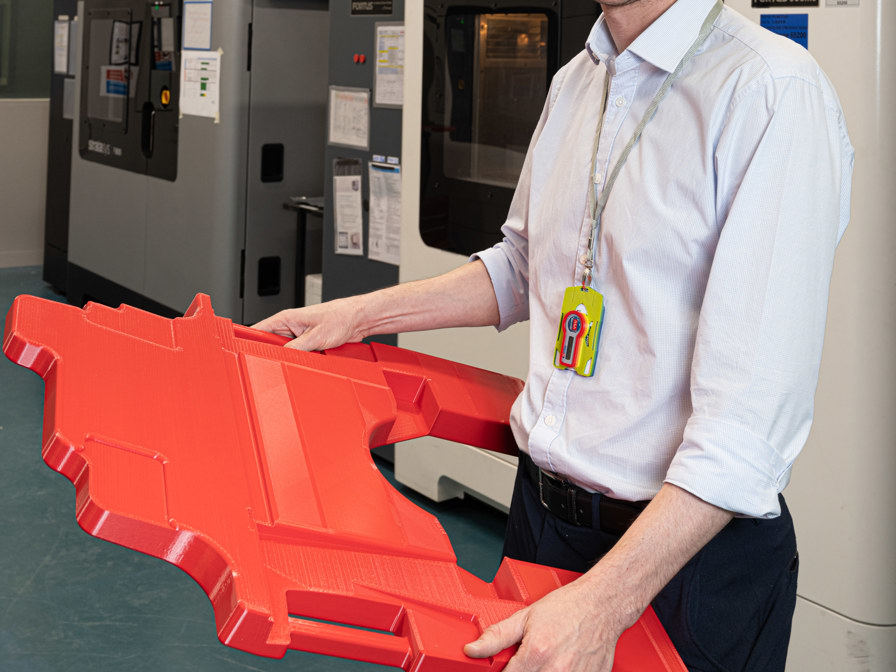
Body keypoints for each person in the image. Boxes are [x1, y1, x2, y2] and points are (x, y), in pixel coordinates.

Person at [254, 0, 854, 669]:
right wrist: (356, 315)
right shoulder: (577, 81)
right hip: (542, 516)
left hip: (685, 562)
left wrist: (603, 604)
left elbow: (747, 429)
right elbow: (520, 266)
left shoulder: (771, 94)